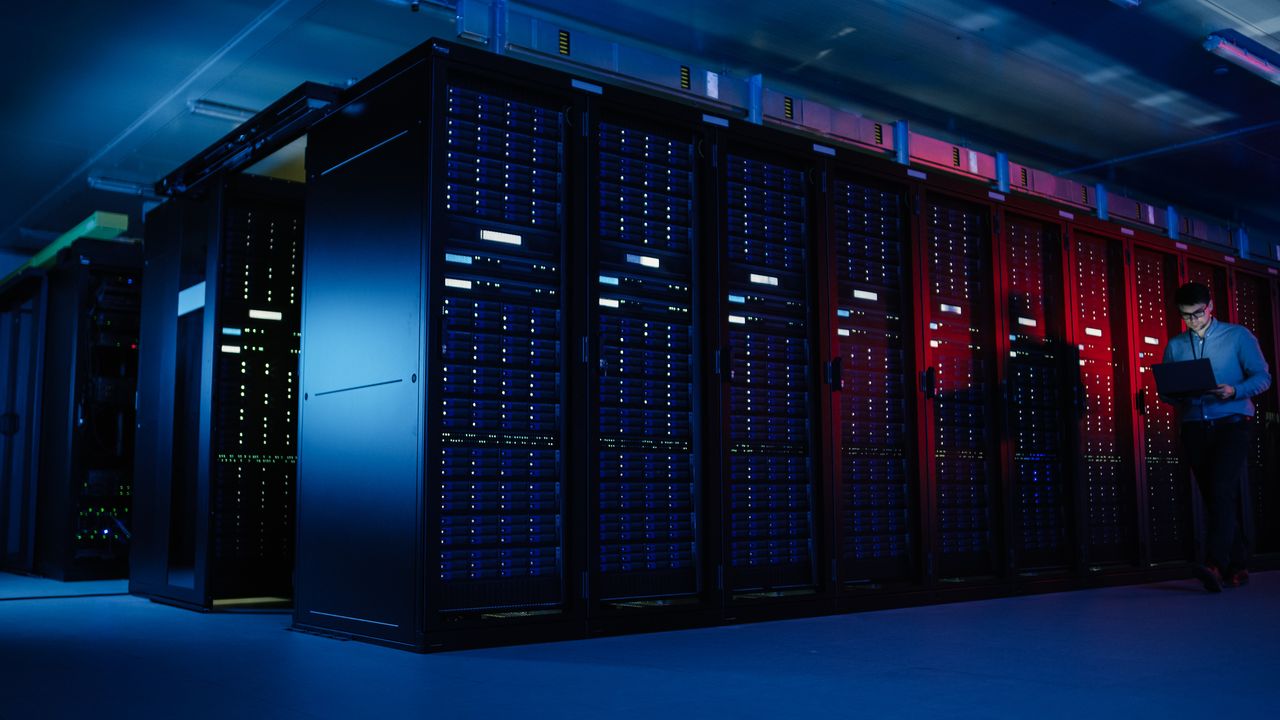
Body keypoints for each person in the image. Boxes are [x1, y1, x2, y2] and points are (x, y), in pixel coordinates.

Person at [1160, 281, 1271, 592]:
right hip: (1195, 424)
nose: (1193, 321)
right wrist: (1173, 394)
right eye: (1186, 316)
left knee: (1221, 488)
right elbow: (1168, 391)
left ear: (1210, 307)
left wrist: (1234, 390)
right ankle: (1239, 565)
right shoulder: (1176, 345)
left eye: (1197, 314)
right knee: (1215, 496)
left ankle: (1214, 564)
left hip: (1232, 422)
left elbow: (1263, 377)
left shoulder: (1237, 336)